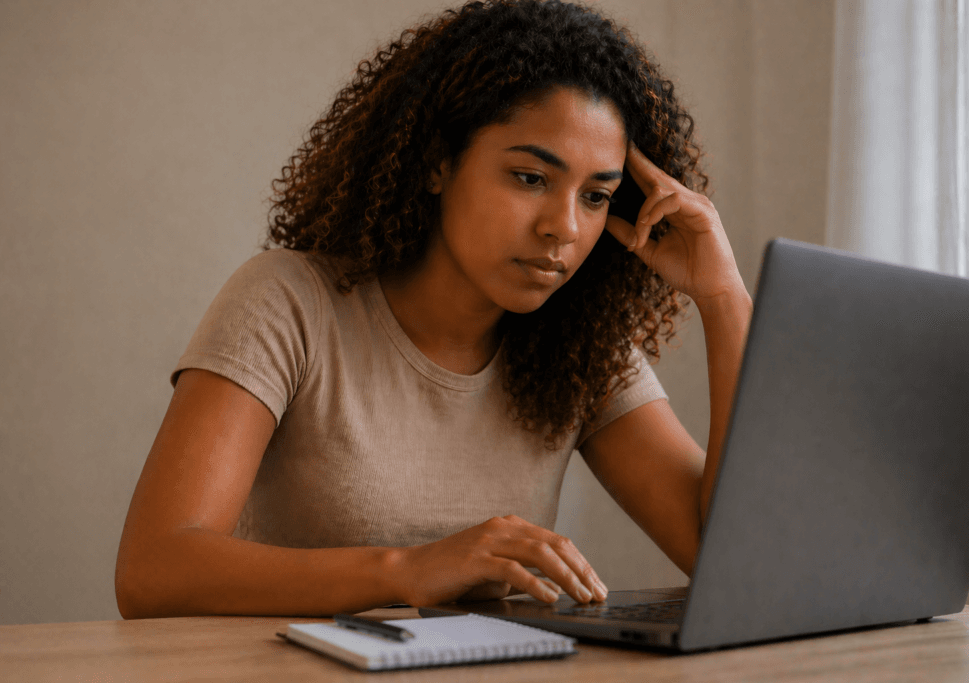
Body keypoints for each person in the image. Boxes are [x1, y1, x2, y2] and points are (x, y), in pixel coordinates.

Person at [114, 0, 752, 619]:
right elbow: (153, 569)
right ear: (437, 163)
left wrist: (724, 300)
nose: (563, 227)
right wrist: (405, 572)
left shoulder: (580, 347)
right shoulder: (288, 303)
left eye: (595, 197)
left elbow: (732, 560)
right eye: (531, 178)